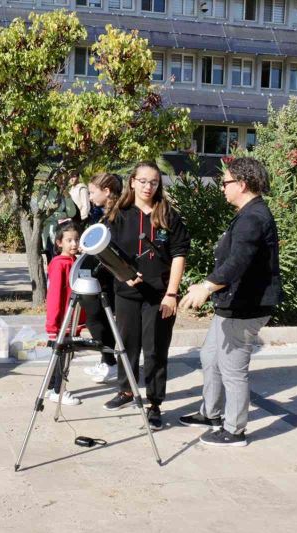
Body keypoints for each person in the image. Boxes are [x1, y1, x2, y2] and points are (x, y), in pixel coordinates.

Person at [179, 157, 282, 447]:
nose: (222, 187)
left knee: (233, 369)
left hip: (246, 306)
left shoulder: (253, 217)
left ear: (242, 184)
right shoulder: (248, 213)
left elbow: (238, 262)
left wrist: (207, 287)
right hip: (232, 303)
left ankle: (235, 430)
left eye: (225, 182)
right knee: (210, 357)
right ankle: (210, 414)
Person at [103, 162, 190, 431]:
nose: (147, 186)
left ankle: (154, 403)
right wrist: (122, 273)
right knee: (127, 345)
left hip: (159, 297)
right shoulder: (118, 214)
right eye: (142, 181)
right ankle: (127, 390)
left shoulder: (168, 215)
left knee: (155, 350)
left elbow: (179, 255)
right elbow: (104, 251)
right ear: (132, 182)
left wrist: (172, 294)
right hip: (127, 294)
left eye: (153, 182)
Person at [82, 172, 123, 384]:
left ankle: (111, 363)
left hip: (113, 279)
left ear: (106, 191)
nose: (89, 197)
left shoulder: (119, 216)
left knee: (101, 320)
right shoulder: (106, 214)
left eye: (92, 192)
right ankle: (107, 361)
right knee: (97, 320)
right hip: (103, 278)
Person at [45, 220, 85, 406]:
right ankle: (58, 390)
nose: (74, 244)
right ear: (59, 242)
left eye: (76, 239)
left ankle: (52, 386)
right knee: (64, 356)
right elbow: (54, 297)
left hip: (71, 320)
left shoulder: (74, 261)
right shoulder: (59, 264)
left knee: (60, 354)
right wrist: (53, 325)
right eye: (69, 240)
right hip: (63, 321)